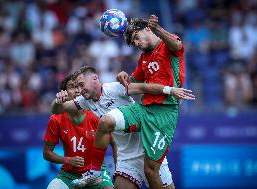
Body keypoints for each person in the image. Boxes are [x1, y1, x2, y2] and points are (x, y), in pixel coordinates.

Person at [74, 14, 187, 189]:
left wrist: (158, 28)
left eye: (136, 38)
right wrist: (123, 77)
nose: (137, 43)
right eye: (134, 43)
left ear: (148, 29)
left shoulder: (168, 45)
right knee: (105, 122)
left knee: (151, 172)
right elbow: (131, 84)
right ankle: (95, 173)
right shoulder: (144, 58)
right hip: (144, 109)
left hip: (164, 114)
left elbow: (177, 45)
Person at [51, 66, 194, 188]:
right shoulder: (85, 101)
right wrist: (58, 100)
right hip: (126, 158)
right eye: (76, 86)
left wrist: (170, 91)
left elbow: (145, 87)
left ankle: (94, 172)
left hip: (148, 150)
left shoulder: (115, 88)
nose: (79, 90)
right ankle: (95, 173)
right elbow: (57, 110)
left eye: (81, 84)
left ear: (95, 78)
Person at [43, 74, 116, 189]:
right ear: (64, 93)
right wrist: (67, 160)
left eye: (79, 86)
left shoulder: (96, 114)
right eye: (72, 87)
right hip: (69, 174)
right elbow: (47, 153)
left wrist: (118, 172)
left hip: (96, 173)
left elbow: (114, 143)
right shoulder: (55, 119)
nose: (77, 90)